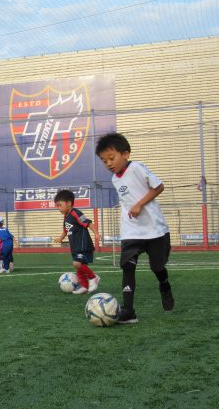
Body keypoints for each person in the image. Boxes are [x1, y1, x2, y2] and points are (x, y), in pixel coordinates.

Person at [96, 133, 174, 324]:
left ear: (126, 154)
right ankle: (129, 311)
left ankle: (164, 285)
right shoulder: (115, 179)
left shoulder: (137, 168)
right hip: (131, 231)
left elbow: (159, 187)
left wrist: (139, 205)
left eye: (111, 158)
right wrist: (132, 211)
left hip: (154, 229)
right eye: (104, 161)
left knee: (158, 267)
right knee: (127, 267)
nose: (108, 164)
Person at [54, 189, 101, 294]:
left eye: (60, 205)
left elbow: (88, 223)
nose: (58, 208)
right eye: (57, 206)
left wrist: (96, 233)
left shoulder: (76, 213)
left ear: (69, 203)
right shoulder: (66, 217)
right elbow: (65, 230)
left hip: (83, 245)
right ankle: (84, 286)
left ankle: (93, 278)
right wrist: (60, 238)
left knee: (76, 263)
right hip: (75, 247)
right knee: (78, 269)